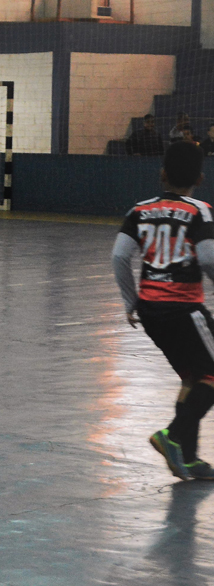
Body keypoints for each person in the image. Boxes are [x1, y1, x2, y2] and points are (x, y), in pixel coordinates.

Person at [112, 140, 214, 481]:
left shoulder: (139, 210)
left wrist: (132, 302)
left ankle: (188, 458)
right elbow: (209, 257)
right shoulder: (199, 210)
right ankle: (171, 436)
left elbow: (120, 256)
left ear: (162, 174)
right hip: (184, 307)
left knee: (192, 377)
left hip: (152, 311)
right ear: (199, 177)